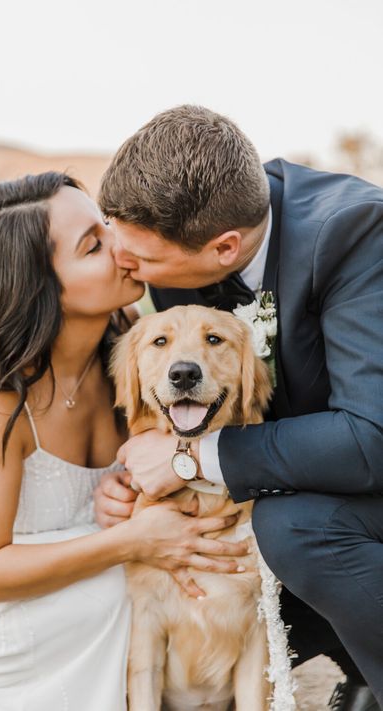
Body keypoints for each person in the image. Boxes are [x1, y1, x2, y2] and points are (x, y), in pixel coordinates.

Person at [0, 171, 247, 711]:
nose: (123, 243)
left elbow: (158, 448)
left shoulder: (132, 339)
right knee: (120, 586)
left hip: (80, 543)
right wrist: (133, 540)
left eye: (106, 225)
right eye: (94, 245)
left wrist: (122, 489)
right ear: (39, 288)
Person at [94, 105, 383, 711]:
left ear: (225, 247)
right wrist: (128, 480)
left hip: (367, 469)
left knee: (292, 528)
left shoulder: (357, 233)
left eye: (141, 263)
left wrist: (186, 460)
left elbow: (370, 438)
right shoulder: (186, 248)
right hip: (299, 468)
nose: (129, 269)